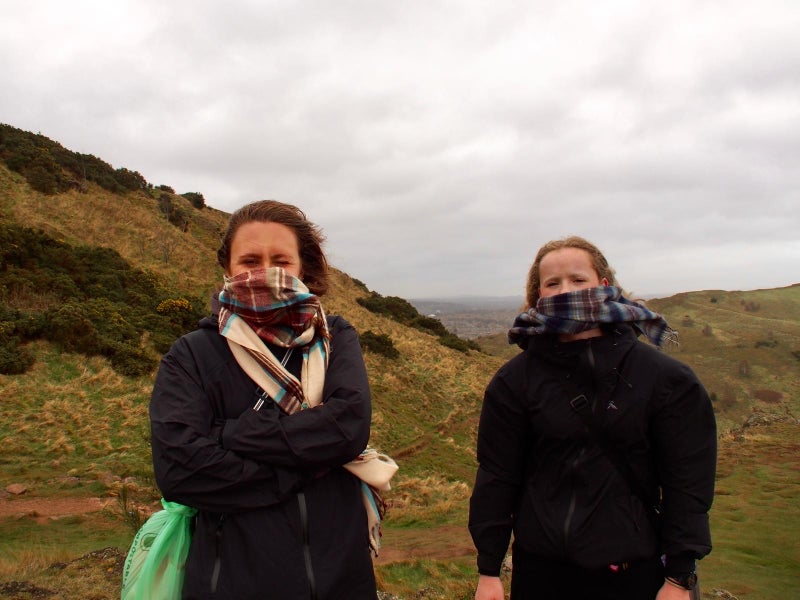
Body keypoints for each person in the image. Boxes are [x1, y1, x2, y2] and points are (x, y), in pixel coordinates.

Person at [149, 200, 378, 599]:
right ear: (228, 267)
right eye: (250, 261)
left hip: (342, 580)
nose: (266, 273)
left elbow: (348, 427)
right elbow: (179, 471)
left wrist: (230, 435)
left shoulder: (335, 337)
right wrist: (305, 468)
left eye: (281, 261)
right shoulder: (193, 355)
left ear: (302, 267)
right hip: (230, 586)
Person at [468, 236, 716, 600]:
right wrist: (489, 571)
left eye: (577, 279)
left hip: (634, 576)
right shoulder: (514, 381)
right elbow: (497, 477)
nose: (566, 291)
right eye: (553, 283)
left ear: (603, 284)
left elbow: (688, 483)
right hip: (541, 576)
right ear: (538, 295)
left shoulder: (664, 379)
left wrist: (679, 578)